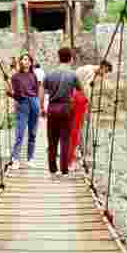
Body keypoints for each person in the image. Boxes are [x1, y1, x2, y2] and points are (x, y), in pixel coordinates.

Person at [41, 46, 85, 178]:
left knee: (52, 140)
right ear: (70, 59)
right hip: (66, 108)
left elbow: (42, 90)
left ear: (58, 58)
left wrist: (42, 107)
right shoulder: (73, 75)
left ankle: (53, 170)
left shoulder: (50, 74)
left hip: (52, 108)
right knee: (65, 140)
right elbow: (81, 90)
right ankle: (64, 170)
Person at [67, 60, 113, 172]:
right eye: (105, 71)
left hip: (75, 100)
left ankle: (77, 152)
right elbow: (84, 88)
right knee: (79, 128)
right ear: (102, 67)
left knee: (77, 128)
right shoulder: (89, 71)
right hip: (78, 102)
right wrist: (87, 101)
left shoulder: (89, 70)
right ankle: (77, 155)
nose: (104, 74)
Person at [7, 53, 41, 169]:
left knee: (32, 133)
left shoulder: (34, 76)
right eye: (23, 59)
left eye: (27, 59)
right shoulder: (15, 77)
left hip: (34, 104)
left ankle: (30, 159)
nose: (25, 61)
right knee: (20, 133)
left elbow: (36, 91)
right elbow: (11, 92)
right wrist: (17, 98)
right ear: (20, 62)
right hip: (23, 104)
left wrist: (38, 105)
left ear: (31, 63)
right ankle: (15, 159)